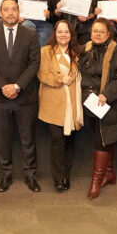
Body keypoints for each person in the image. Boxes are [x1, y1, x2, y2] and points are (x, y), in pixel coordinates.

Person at [0, 0, 41, 193]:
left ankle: (30, 175)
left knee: (28, 139)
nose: (10, 13)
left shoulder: (30, 34)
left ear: (18, 12)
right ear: (0, 13)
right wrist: (3, 87)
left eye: (13, 9)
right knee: (3, 140)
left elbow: (34, 63)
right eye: (6, 10)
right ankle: (5, 176)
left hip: (25, 97)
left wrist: (17, 86)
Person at [78, 18, 117, 199]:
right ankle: (109, 173)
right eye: (95, 31)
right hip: (86, 100)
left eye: (102, 31)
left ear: (109, 34)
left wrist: (106, 94)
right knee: (102, 136)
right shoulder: (85, 48)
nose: (98, 34)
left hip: (105, 101)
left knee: (101, 139)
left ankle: (96, 180)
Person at [38, 20, 83, 191]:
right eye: (60, 32)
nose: (63, 35)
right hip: (53, 103)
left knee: (69, 141)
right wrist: (60, 79)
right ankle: (58, 178)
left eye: (66, 32)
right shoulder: (46, 51)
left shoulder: (77, 52)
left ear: (71, 35)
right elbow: (42, 74)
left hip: (73, 102)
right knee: (58, 140)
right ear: (54, 34)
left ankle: (66, 175)